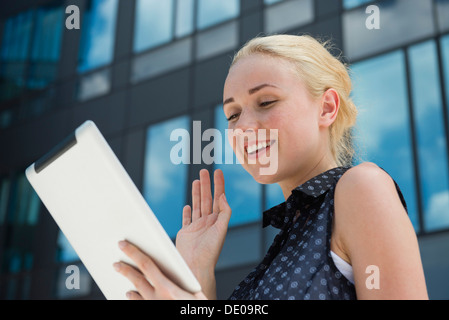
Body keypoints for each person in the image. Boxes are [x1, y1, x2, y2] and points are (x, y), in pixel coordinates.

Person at [112, 34, 429, 300]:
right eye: (233, 115)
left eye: (265, 102)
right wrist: (197, 280)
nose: (244, 127)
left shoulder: (361, 187)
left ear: (327, 107)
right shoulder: (280, 248)